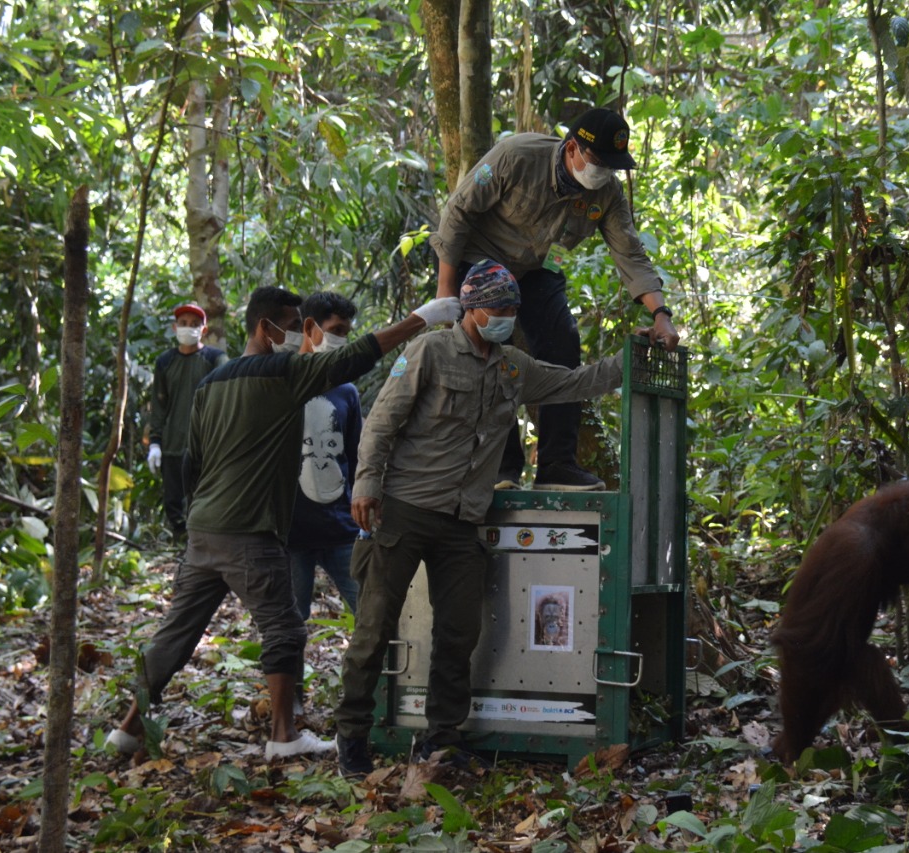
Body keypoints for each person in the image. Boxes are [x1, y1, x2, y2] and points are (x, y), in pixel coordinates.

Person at [108, 286, 461, 762]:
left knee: (177, 632)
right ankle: (282, 735)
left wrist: (200, 513)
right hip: (250, 531)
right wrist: (422, 317)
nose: (300, 335)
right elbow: (351, 360)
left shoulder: (213, 382)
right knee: (286, 630)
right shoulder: (284, 373)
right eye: (294, 327)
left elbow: (192, 461)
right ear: (265, 329)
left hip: (204, 531)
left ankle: (127, 729)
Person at [335, 260, 630, 779]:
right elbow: (383, 419)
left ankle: (440, 740)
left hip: (462, 520)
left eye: (512, 310)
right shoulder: (429, 350)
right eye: (497, 309)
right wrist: (365, 483)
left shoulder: (512, 366)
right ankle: (352, 738)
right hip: (405, 508)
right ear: (471, 309)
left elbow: (571, 383)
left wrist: (628, 361)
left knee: (459, 631)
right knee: (375, 626)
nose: (505, 318)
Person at [431, 107, 680, 492]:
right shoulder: (516, 155)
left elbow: (629, 253)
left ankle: (557, 465)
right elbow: (458, 212)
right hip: (477, 259)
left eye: (610, 166)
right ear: (572, 149)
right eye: (597, 161)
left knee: (562, 342)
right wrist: (447, 291)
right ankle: (501, 469)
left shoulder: (607, 193)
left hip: (537, 267)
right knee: (483, 350)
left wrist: (661, 313)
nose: (602, 172)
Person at [287, 292, 363, 622]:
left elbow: (357, 457)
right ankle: (292, 677)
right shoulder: (280, 382)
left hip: (340, 529)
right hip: (291, 534)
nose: (341, 339)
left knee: (373, 614)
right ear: (310, 327)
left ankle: (373, 675)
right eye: (336, 330)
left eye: (346, 332)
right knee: (290, 623)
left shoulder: (346, 391)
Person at [147, 303, 227, 536]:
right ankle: (183, 546)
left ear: (203, 330)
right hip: (173, 444)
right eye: (183, 324)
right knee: (174, 502)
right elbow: (159, 406)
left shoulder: (216, 359)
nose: (188, 328)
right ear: (174, 328)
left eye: (194, 324)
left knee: (205, 499)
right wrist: (155, 443)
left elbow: (224, 401)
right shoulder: (165, 362)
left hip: (206, 445)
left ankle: (204, 546)